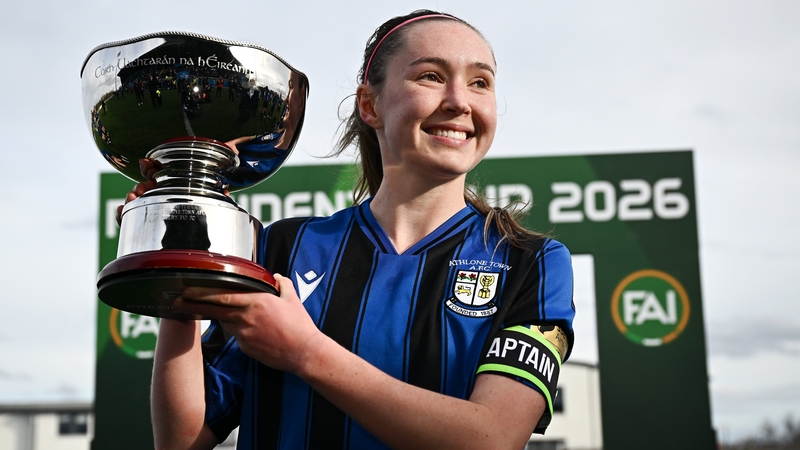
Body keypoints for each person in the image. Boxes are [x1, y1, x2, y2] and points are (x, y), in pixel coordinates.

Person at [132, 10, 575, 449]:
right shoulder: (283, 248)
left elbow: (493, 438)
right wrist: (179, 256)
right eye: (431, 77)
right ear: (370, 105)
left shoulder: (531, 262)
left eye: (480, 82)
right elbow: (181, 439)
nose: (460, 101)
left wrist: (306, 353)